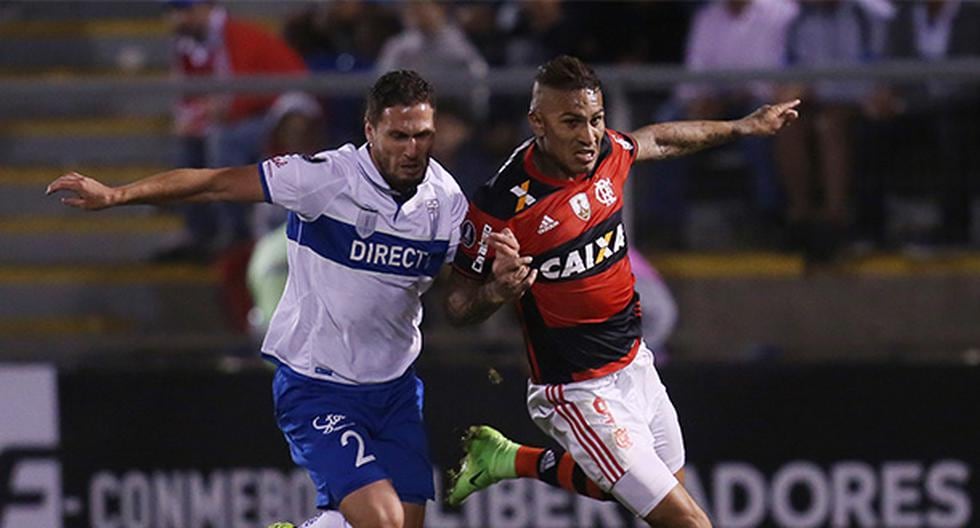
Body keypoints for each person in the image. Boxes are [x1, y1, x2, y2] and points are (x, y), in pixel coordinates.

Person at [47, 70, 469, 528]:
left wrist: (499, 286)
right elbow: (217, 182)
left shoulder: (446, 201)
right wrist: (117, 194)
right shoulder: (326, 178)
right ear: (370, 130)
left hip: (396, 389)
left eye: (423, 136)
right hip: (319, 386)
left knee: (404, 526)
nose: (412, 149)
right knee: (383, 521)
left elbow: (461, 301)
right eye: (399, 136)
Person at [443, 56, 799, 527]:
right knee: (689, 522)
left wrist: (742, 127)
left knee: (643, 491)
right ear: (537, 123)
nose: (588, 136)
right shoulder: (500, 204)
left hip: (636, 365)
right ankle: (512, 459)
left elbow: (661, 139)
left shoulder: (606, 152)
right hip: (576, 389)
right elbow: (457, 306)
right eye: (571, 122)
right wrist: (498, 290)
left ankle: (508, 459)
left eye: (596, 120)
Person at [162, 0, 308, 262]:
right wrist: (195, 118)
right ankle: (201, 233)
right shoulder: (187, 44)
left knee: (222, 141)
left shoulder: (235, 35)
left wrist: (213, 113)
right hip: (242, 113)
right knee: (189, 141)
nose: (178, 19)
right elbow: (189, 97)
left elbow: (249, 92)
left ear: (205, 8)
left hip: (276, 111)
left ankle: (236, 231)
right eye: (174, 12)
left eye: (185, 11)